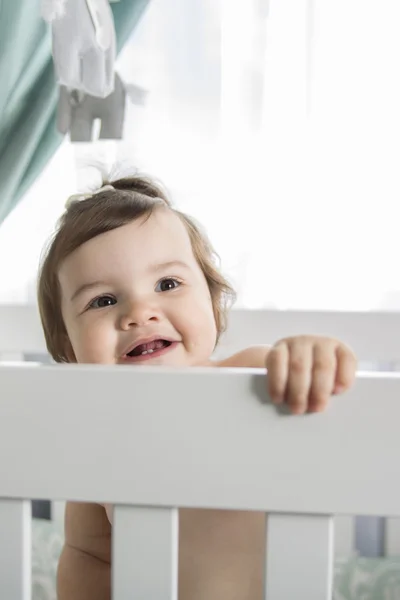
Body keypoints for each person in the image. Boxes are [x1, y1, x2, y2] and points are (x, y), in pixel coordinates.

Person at [37, 175, 357, 600]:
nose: (140, 313)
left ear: (212, 297)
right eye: (103, 300)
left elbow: (316, 383)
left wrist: (312, 356)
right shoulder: (98, 438)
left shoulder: (255, 379)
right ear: (67, 345)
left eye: (167, 284)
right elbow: (89, 553)